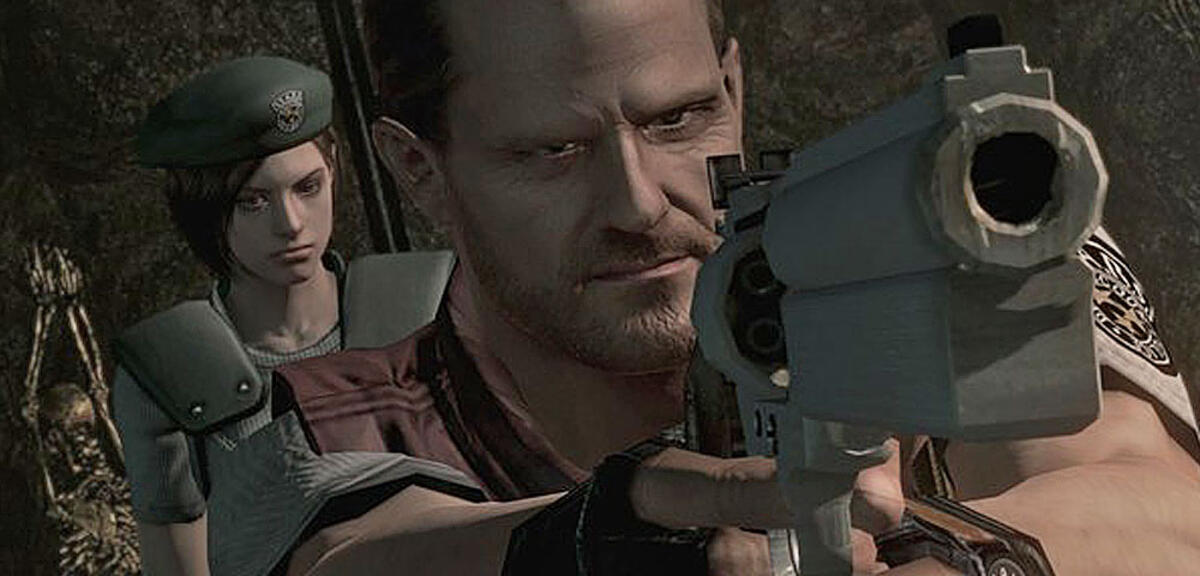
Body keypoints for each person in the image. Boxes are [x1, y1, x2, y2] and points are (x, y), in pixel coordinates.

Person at [270, 1, 1200, 574]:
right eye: (551, 151)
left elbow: (1157, 502)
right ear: (417, 169)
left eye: (679, 118)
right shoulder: (326, 422)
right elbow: (356, 556)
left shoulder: (919, 236)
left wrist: (968, 562)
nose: (639, 203)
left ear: (733, 87)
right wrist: (591, 540)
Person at [111, 56, 480, 576]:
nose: (291, 224)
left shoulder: (436, 299)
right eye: (253, 201)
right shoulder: (170, 371)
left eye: (308, 187)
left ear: (334, 173)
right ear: (203, 208)